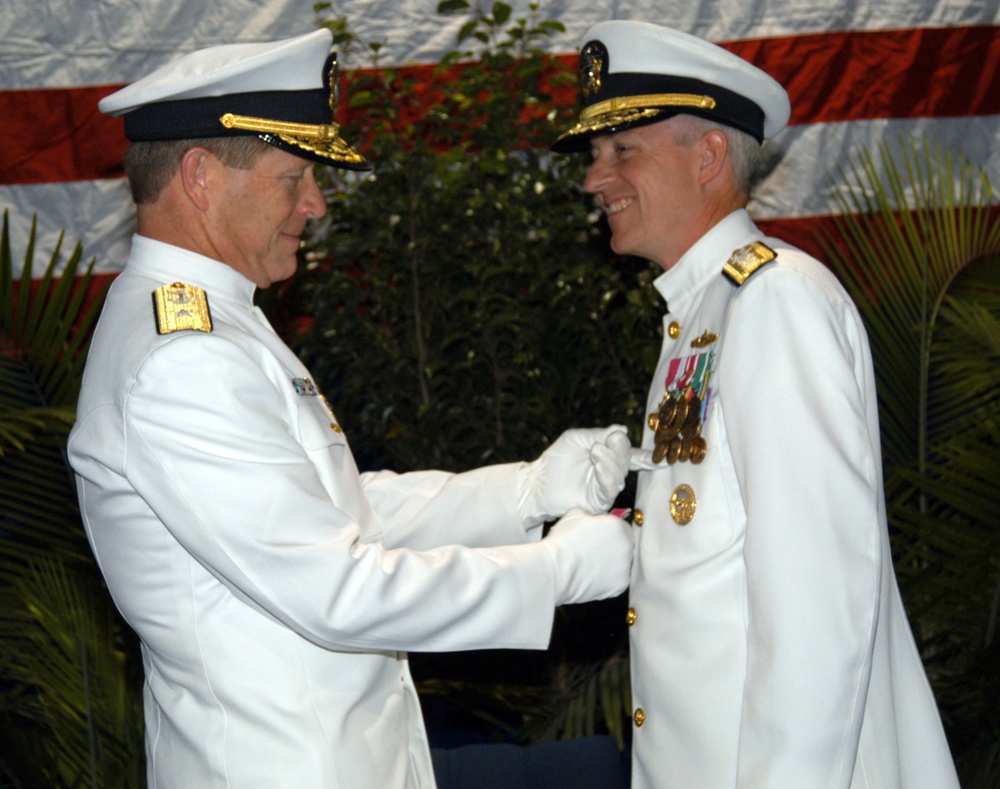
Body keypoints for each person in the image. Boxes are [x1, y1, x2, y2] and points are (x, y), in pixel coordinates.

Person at [67, 29, 635, 789]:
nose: (317, 203)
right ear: (201, 176)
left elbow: (336, 510)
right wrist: (554, 570)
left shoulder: (215, 318)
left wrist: (526, 491)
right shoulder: (183, 356)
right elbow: (338, 588)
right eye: (293, 176)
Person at [550, 20, 960, 789]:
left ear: (708, 157)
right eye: (595, 154)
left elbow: (815, 609)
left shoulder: (774, 304)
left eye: (621, 151)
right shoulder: (704, 314)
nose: (592, 179)